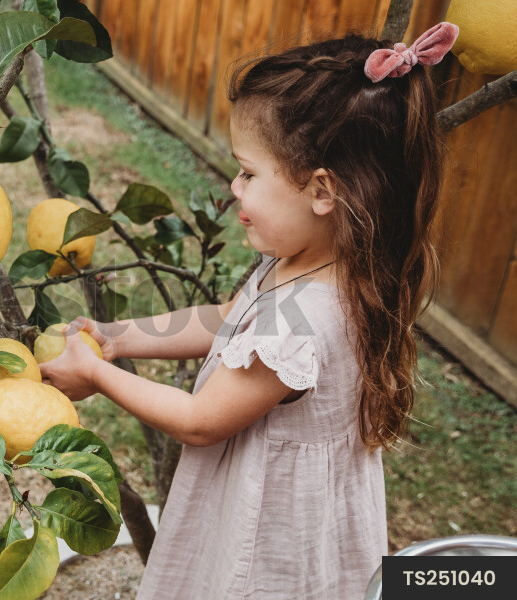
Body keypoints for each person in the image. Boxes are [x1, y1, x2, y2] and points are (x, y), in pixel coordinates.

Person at [38, 23, 459, 599]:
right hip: (293, 502)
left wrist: (94, 375)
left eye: (248, 172)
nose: (234, 188)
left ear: (321, 191)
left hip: (269, 526)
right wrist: (119, 338)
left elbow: (200, 421)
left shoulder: (305, 320)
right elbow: (225, 320)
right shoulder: (315, 261)